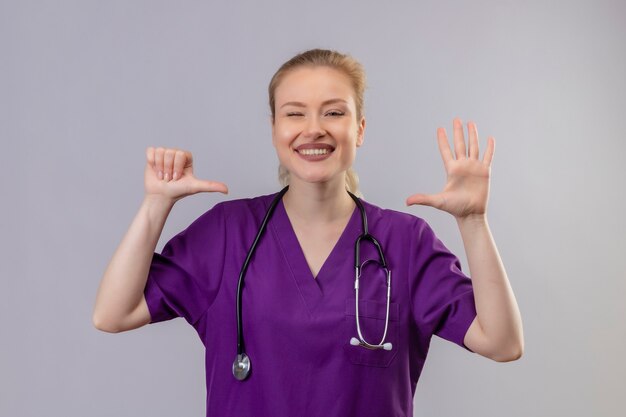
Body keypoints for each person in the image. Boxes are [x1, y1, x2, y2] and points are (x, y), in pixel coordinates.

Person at [93, 48, 523, 416]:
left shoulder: (405, 242)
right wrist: (155, 205)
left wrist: (473, 223)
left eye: (334, 112)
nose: (313, 128)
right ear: (275, 128)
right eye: (294, 113)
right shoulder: (227, 233)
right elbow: (113, 313)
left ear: (360, 129)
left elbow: (502, 343)